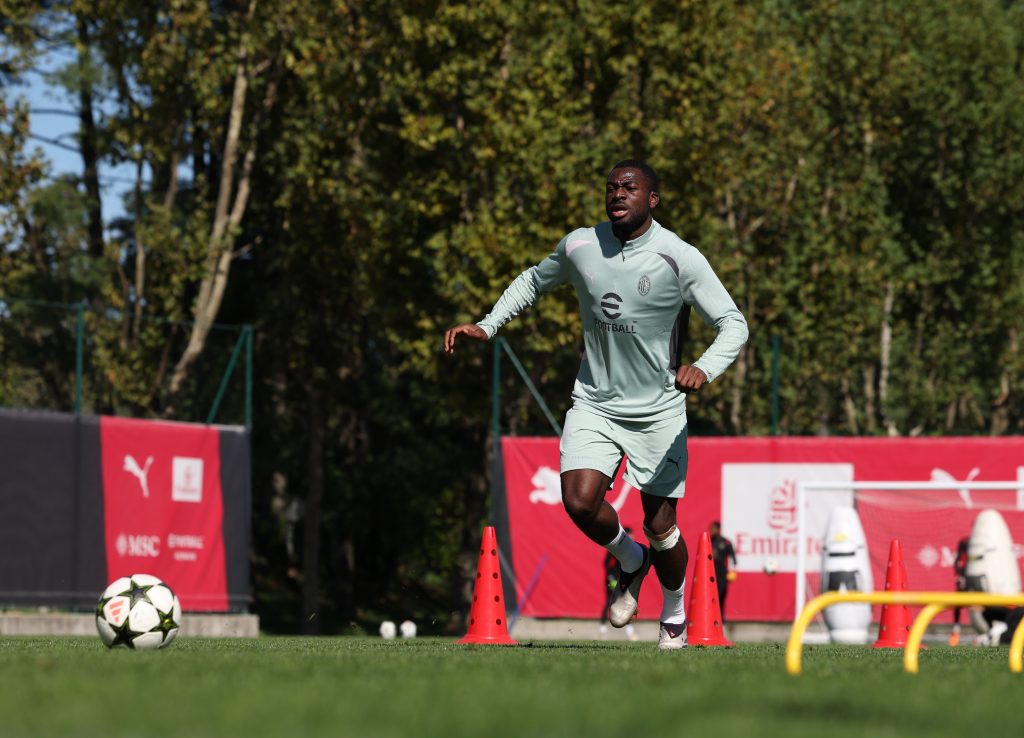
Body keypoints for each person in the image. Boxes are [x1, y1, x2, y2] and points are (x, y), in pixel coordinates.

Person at [444, 160, 748, 649]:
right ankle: (630, 559)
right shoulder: (581, 245)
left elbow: (733, 323)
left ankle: (674, 611)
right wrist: (489, 323)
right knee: (578, 501)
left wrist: (704, 367)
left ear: (653, 198)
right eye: (611, 188)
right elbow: (531, 281)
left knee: (661, 525)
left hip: (659, 412)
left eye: (630, 187)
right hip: (595, 402)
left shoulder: (679, 256)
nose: (618, 194)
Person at [709, 521, 737, 621]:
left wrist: (733, 571)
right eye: (710, 528)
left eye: (713, 528)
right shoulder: (708, 542)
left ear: (718, 529)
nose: (711, 531)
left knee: (721, 596)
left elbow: (733, 558)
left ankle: (721, 618)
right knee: (711, 597)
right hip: (710, 575)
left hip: (722, 575)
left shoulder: (726, 542)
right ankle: (711, 618)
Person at [949, 535, 969, 646]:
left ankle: (984, 633)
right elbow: (958, 560)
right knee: (958, 604)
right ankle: (956, 630)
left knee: (981, 606)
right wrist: (960, 575)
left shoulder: (984, 542)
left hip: (977, 579)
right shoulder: (965, 542)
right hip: (966, 578)